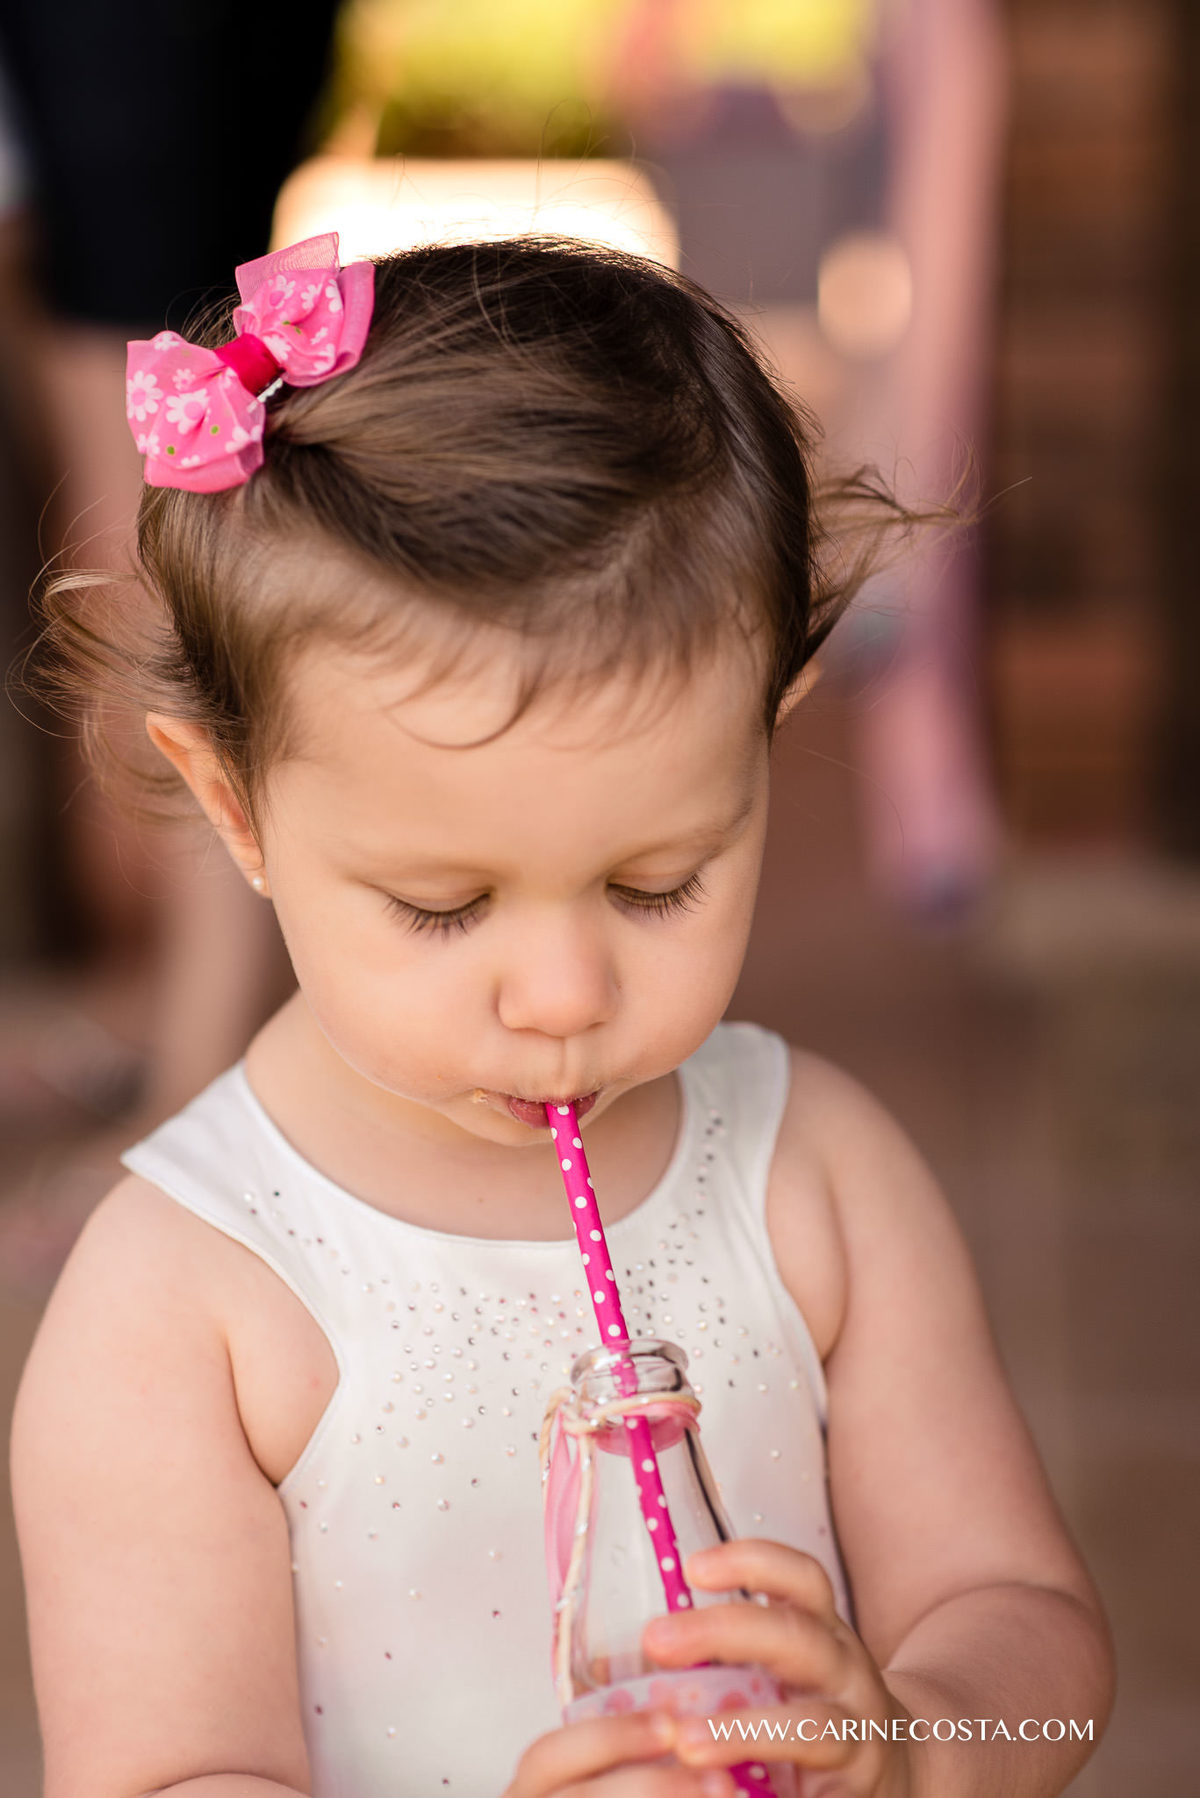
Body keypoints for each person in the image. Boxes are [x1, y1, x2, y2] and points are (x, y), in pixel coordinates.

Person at [11, 235, 1113, 1798]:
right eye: (445, 906)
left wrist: (914, 1742)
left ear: (762, 744)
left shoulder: (817, 1180)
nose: (563, 996)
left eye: (657, 880)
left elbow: (1026, 1631)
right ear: (233, 803)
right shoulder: (184, 1304)